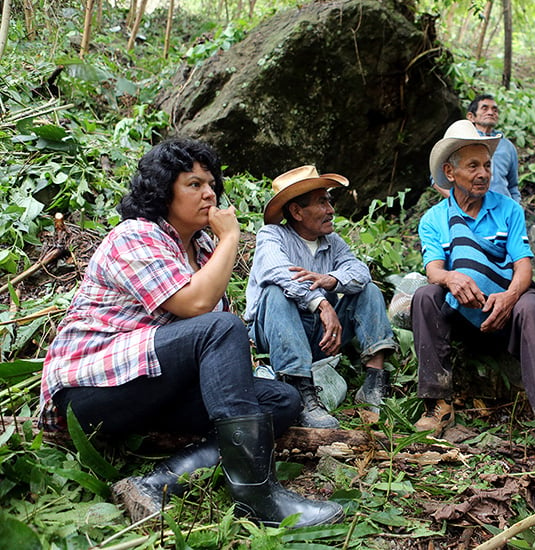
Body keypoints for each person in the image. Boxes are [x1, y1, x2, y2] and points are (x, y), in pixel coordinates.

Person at [39, 139, 343, 527]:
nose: (209, 193)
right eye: (194, 184)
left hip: (153, 387)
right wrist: (230, 238)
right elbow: (196, 308)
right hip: (91, 394)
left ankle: (162, 481)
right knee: (219, 327)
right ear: (163, 191)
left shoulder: (201, 249)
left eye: (212, 184)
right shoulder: (135, 236)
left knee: (281, 400)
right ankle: (255, 493)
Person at [411, 120, 535, 466]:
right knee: (426, 296)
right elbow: (433, 268)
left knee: (532, 307)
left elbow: (523, 267)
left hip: (508, 305)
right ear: (450, 171)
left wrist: (510, 296)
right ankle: (438, 405)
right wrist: (450, 278)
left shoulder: (508, 210)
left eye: (486, 165)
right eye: (473, 166)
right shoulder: (434, 219)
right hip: (464, 313)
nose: (483, 173)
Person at [244, 165, 397, 429]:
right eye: (322, 202)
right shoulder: (272, 235)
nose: (331, 210)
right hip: (276, 334)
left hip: (320, 337)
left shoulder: (333, 242)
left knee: (368, 289)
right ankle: (300, 391)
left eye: (329, 201)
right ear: (296, 211)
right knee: (275, 292)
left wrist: (333, 280)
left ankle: (374, 381)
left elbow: (360, 271)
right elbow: (277, 271)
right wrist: (322, 302)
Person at [432, 94, 521, 203]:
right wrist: (459, 204)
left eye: (495, 110)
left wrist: (515, 208)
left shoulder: (507, 146)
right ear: (471, 117)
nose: (490, 112)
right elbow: (436, 179)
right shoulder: (461, 142)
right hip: (471, 210)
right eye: (484, 108)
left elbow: (513, 185)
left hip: (503, 211)